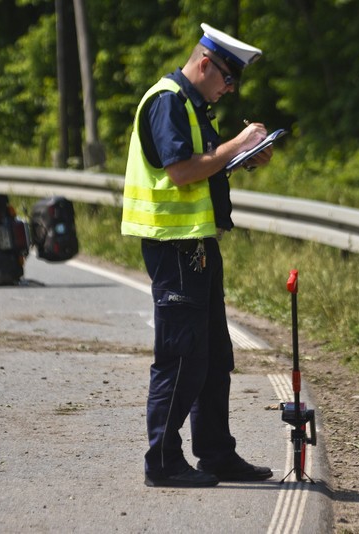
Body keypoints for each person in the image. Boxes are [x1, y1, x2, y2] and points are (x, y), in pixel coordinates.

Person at [121, 22, 275, 488]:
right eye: (228, 78)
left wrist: (242, 157)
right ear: (205, 64)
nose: (230, 89)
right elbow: (181, 170)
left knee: (212, 355)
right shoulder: (167, 100)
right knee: (182, 356)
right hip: (174, 245)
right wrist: (237, 143)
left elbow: (204, 167)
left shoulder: (192, 104)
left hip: (197, 241)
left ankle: (215, 453)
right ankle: (163, 461)